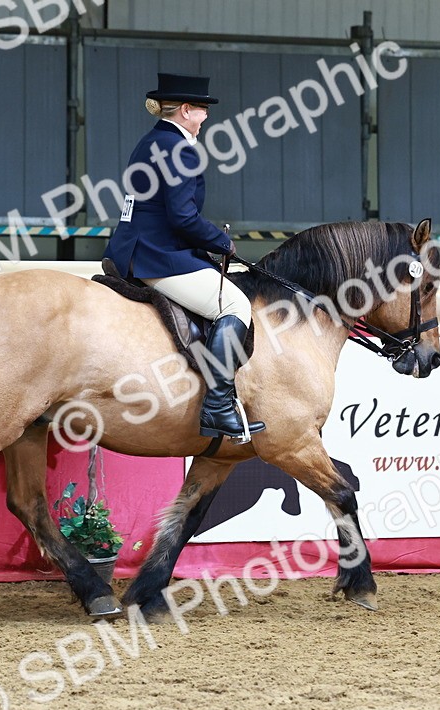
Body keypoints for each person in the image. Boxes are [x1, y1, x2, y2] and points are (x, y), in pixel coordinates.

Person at [104, 73, 265, 440]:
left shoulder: (152, 141)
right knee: (235, 307)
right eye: (203, 110)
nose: (206, 117)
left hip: (138, 246)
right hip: (156, 255)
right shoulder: (178, 148)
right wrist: (221, 242)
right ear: (187, 110)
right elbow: (182, 217)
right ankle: (218, 406)